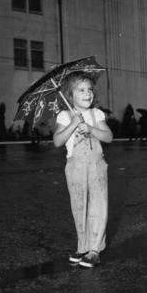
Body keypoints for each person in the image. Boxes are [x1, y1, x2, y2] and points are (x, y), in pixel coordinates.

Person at [53, 71, 113, 268]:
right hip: (75, 166)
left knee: (98, 205)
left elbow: (108, 137)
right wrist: (73, 124)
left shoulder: (97, 114)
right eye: (81, 90)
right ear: (70, 95)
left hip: (96, 165)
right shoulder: (64, 115)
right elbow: (57, 141)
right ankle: (83, 246)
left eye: (90, 90)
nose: (88, 94)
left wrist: (91, 129)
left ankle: (95, 249)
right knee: (79, 207)